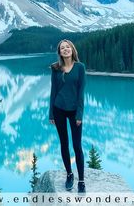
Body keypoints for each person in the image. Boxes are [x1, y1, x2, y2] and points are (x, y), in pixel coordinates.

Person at [49, 39, 86, 193]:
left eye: (67, 47)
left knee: (77, 146)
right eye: (62, 48)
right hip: (58, 109)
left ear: (72, 49)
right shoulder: (56, 68)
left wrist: (79, 114)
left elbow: (81, 93)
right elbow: (53, 91)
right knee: (64, 143)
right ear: (60, 52)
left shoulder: (80, 67)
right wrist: (51, 113)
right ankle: (69, 174)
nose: (65, 49)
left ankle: (82, 180)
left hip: (74, 111)